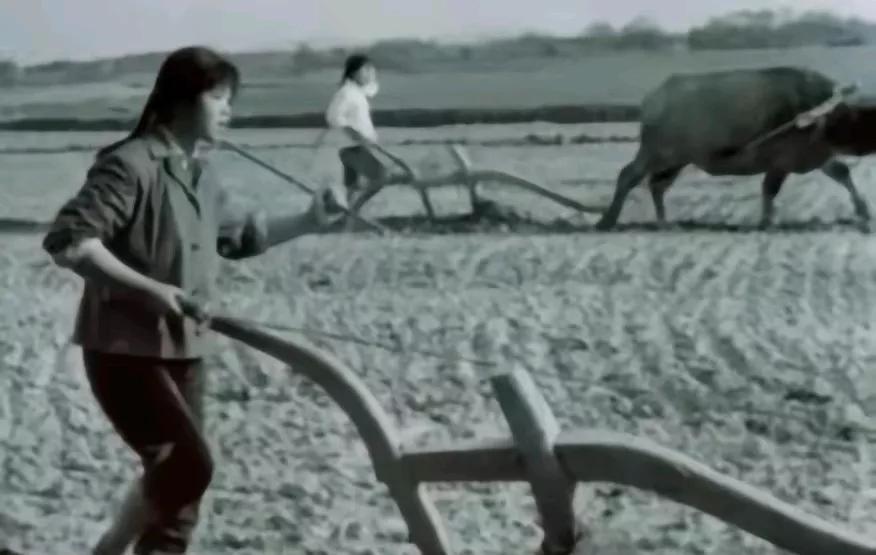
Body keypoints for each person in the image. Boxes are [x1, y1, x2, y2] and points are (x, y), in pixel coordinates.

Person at [41, 46, 343, 555]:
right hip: (124, 353)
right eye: (218, 98)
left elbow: (240, 239)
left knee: (181, 497)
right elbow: (71, 243)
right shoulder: (129, 165)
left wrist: (311, 220)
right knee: (188, 466)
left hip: (185, 350)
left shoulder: (201, 175)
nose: (229, 111)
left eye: (231, 100)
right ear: (181, 100)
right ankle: (110, 548)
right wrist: (153, 290)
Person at [324, 53, 413, 212]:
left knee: (352, 186)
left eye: (371, 70)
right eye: (366, 70)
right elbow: (333, 116)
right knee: (381, 177)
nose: (370, 73)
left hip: (360, 146)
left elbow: (371, 88)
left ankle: (342, 215)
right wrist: (354, 134)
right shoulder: (346, 93)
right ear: (354, 73)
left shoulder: (358, 93)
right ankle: (353, 210)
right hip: (353, 147)